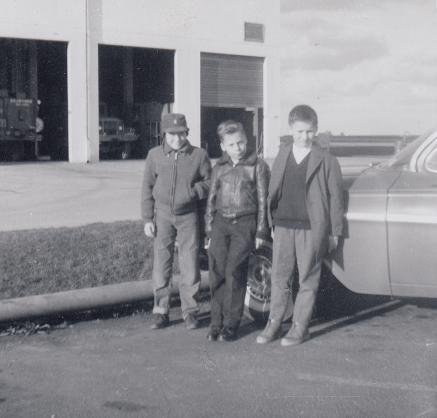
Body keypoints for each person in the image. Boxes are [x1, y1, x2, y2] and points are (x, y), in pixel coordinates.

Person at [256, 105, 344, 346]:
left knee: (307, 278)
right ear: (291, 129)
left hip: (311, 229)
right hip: (283, 226)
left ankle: (300, 326)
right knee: (279, 276)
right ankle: (274, 322)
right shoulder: (283, 154)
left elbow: (336, 198)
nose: (304, 136)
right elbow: (275, 189)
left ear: (315, 130)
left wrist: (335, 231)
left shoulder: (326, 160)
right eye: (299, 131)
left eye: (309, 131)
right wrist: (272, 221)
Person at [141, 113, 211, 330]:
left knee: (189, 262)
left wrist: (193, 192)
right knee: (162, 263)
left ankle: (190, 311)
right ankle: (161, 311)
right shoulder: (154, 155)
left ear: (187, 133)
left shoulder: (198, 155)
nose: (177, 139)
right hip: (162, 216)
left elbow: (210, 182)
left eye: (181, 134)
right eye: (172, 134)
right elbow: (147, 187)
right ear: (164, 134)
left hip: (188, 216)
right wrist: (147, 218)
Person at [205, 120, 270, 342]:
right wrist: (209, 229)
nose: (238, 148)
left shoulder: (257, 166)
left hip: (245, 222)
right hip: (221, 224)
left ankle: (231, 324)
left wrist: (261, 231)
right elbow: (211, 200)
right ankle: (216, 322)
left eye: (241, 142)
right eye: (232, 144)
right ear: (223, 146)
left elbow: (263, 201)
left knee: (235, 270)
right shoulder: (219, 168)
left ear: (246, 141)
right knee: (217, 272)